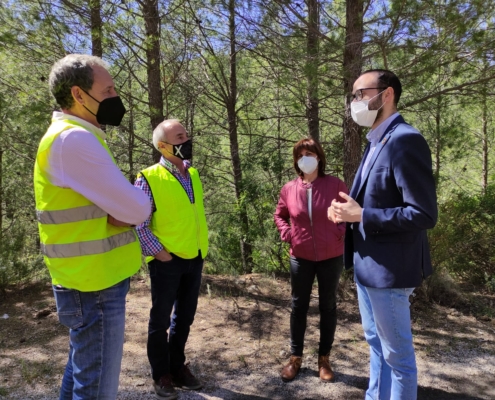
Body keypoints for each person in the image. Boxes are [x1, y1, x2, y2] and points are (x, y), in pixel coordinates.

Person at [34, 54, 151, 399]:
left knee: (82, 370)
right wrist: (127, 207)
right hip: (94, 286)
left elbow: (124, 209)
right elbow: (138, 207)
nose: (116, 96)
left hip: (86, 279)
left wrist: (122, 208)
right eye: (109, 89)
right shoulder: (74, 141)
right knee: (97, 388)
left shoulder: (72, 137)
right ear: (79, 95)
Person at [329, 69, 437, 400]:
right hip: (368, 267)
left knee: (398, 359)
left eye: (360, 93)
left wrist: (362, 214)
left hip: (389, 272)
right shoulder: (378, 139)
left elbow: (423, 214)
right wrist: (346, 212)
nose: (355, 101)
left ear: (386, 94)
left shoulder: (405, 140)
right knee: (376, 347)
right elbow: (375, 199)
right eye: (354, 95)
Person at [134, 119, 208, 400]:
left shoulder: (194, 174)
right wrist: (158, 252)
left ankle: (177, 367)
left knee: (185, 318)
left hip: (195, 256)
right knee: (160, 320)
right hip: (167, 260)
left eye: (186, 134)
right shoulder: (148, 177)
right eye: (180, 136)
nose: (186, 139)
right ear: (163, 146)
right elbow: (138, 223)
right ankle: (160, 374)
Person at [274, 138, 348, 383]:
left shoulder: (336, 184)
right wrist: (288, 234)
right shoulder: (289, 189)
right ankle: (295, 358)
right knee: (298, 307)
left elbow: (348, 214)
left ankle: (324, 359)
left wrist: (338, 233)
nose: (306, 157)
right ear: (297, 160)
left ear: (319, 157)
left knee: (328, 306)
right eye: (301, 154)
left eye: (310, 153)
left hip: (331, 256)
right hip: (300, 257)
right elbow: (280, 215)